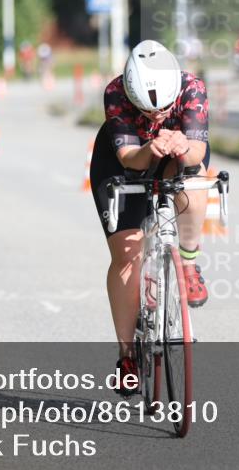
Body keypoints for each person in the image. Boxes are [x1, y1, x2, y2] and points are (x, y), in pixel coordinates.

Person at [89, 40, 211, 394]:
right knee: (127, 255)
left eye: (164, 110)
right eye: (147, 111)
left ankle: (187, 261)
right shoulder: (115, 93)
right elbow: (128, 158)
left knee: (194, 181)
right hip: (123, 162)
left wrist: (181, 145)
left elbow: (199, 150)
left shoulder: (192, 89)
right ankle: (127, 355)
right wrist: (150, 146)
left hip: (179, 153)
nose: (157, 117)